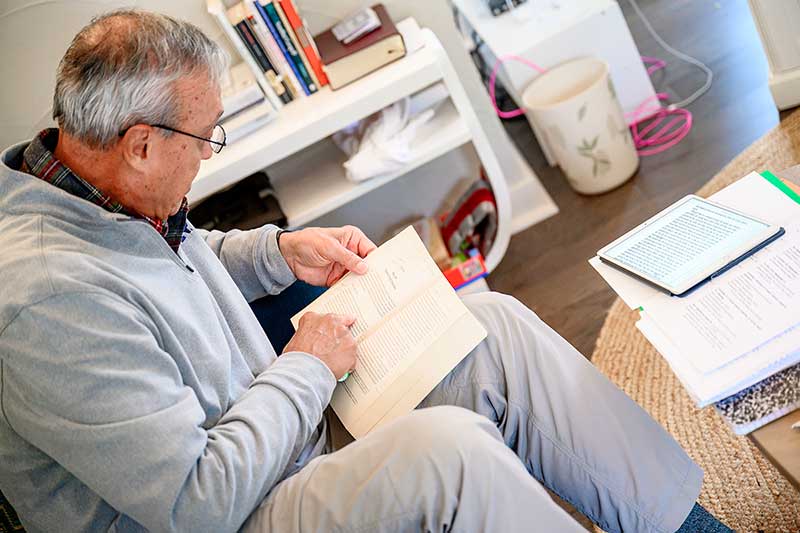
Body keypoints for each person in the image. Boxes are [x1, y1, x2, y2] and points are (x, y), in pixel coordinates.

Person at [0, 9, 731, 533]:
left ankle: (685, 525)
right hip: (231, 505)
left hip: (277, 437)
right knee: (448, 456)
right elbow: (198, 500)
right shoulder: (47, 301)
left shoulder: (106, 190)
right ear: (137, 145)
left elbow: (172, 263)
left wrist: (276, 250)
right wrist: (307, 365)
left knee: (488, 325)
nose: (209, 155)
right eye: (205, 137)